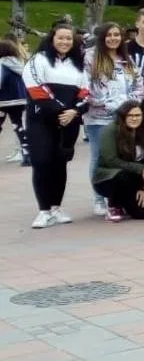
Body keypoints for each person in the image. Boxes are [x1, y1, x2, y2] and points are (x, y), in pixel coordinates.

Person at [22, 24, 89, 227]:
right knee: (42, 162)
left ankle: (56, 208)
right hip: (41, 121)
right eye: (61, 38)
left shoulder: (79, 65)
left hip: (69, 122)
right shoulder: (39, 60)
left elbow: (86, 93)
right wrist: (62, 110)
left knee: (60, 164)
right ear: (52, 39)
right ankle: (43, 211)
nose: (65, 42)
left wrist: (75, 111)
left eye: (69, 38)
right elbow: (36, 89)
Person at [84, 22, 142, 217]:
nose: (113, 38)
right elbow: (86, 88)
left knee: (121, 157)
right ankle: (99, 198)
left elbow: (138, 85)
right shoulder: (91, 57)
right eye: (109, 35)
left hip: (124, 118)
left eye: (117, 34)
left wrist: (131, 105)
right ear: (102, 37)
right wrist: (106, 104)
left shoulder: (126, 59)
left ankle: (117, 199)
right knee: (99, 156)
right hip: (99, 117)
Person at [91, 102, 144, 221]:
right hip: (110, 177)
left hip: (136, 177)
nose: (134, 118)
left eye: (138, 115)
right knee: (122, 175)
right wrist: (139, 169)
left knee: (143, 213)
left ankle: (126, 203)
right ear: (123, 115)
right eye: (130, 115)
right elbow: (110, 160)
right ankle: (113, 205)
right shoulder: (111, 130)